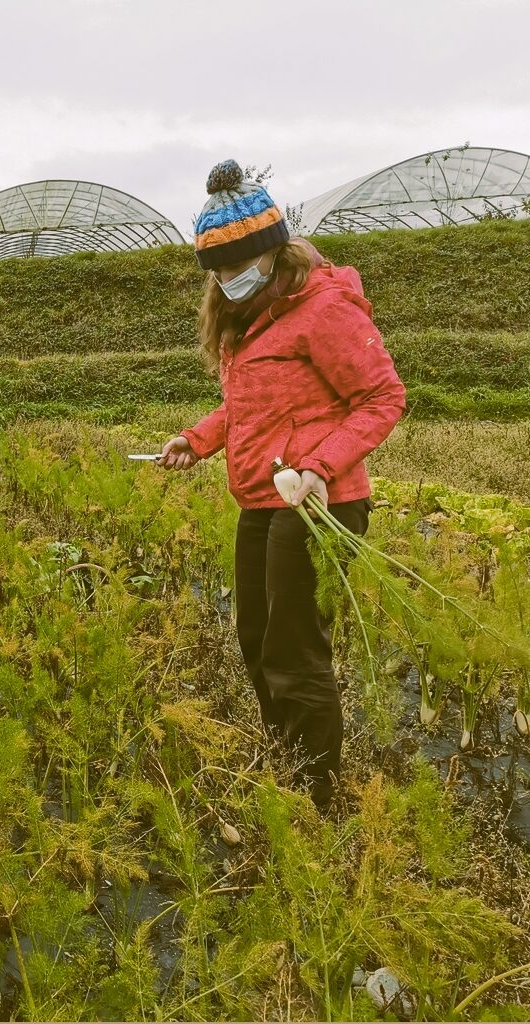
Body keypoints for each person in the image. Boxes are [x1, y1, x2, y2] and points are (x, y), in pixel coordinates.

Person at [158, 159, 406, 810]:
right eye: (213, 270)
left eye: (232, 266)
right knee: (256, 638)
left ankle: (313, 791)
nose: (222, 280)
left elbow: (381, 397)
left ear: (270, 253)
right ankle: (283, 755)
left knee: (294, 652)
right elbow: (247, 407)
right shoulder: (243, 318)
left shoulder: (322, 306)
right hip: (261, 498)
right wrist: (196, 439)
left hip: (321, 502)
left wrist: (320, 467)